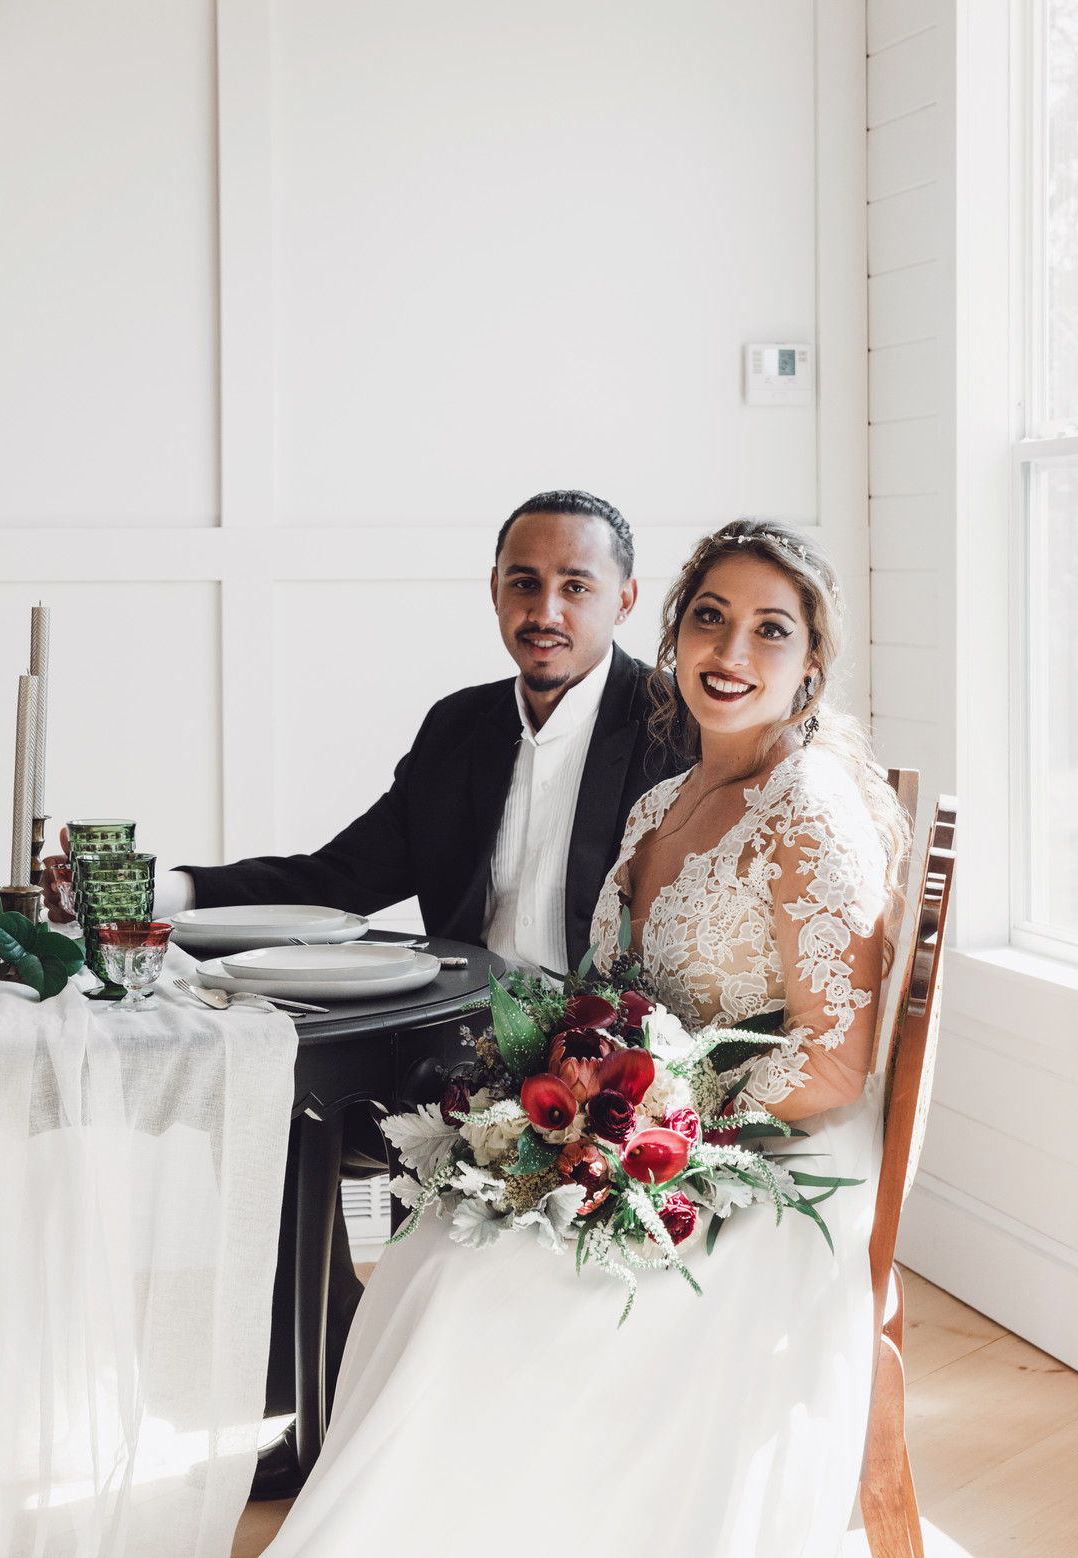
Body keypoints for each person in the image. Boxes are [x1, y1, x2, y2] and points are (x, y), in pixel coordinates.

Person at [200, 519, 910, 1558]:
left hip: (768, 1161)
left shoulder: (807, 808)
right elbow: (597, 992)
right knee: (438, 1238)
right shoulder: (657, 803)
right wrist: (593, 1111)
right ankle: (420, 1556)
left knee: (482, 1278)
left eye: (772, 629)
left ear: (811, 662)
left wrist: (657, 1134)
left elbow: (833, 1062)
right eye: (712, 616)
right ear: (674, 633)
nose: (732, 648)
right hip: (638, 1116)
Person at [42, 488, 685, 1498]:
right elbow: (341, 878)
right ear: (493, 590)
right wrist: (160, 893)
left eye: (575, 585)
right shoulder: (462, 726)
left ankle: (439, 1416)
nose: (545, 608)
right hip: (455, 1038)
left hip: (601, 1064)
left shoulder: (669, 731)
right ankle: (317, 1403)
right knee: (289, 1111)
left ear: (626, 598)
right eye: (524, 581)